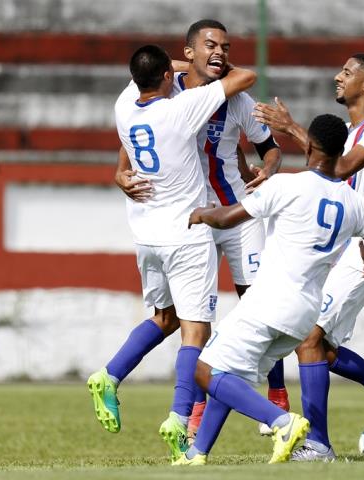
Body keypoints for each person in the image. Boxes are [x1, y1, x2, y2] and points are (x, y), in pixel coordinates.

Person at [172, 114, 364, 465]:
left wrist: (201, 214)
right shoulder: (355, 203)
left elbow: (228, 217)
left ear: (308, 146)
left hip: (269, 302)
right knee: (226, 373)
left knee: (203, 371)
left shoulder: (288, 186)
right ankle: (197, 453)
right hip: (304, 314)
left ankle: (282, 422)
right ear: (341, 151)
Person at [104, 19, 286, 442]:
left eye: (226, 45)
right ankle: (196, 408)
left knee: (257, 303)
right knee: (190, 319)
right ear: (186, 53)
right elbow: (131, 138)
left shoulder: (236, 97)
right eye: (210, 45)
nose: (220, 51)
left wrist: (268, 170)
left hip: (235, 211)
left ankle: (276, 395)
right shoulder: (169, 92)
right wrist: (119, 172)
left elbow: (269, 148)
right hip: (188, 220)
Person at [86, 43, 256, 461]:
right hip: (186, 233)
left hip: (145, 233)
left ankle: (109, 375)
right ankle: (179, 420)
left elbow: (145, 76)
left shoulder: (124, 104)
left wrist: (173, 66)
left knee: (164, 318)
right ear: (167, 75)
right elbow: (244, 78)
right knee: (195, 332)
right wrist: (205, 64)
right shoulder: (180, 111)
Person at [252, 53, 364, 460]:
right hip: (342, 251)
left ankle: (318, 445)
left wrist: (290, 127)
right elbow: (325, 169)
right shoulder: (347, 129)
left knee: (309, 339)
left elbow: (340, 167)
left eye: (347, 72)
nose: (337, 77)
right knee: (316, 347)